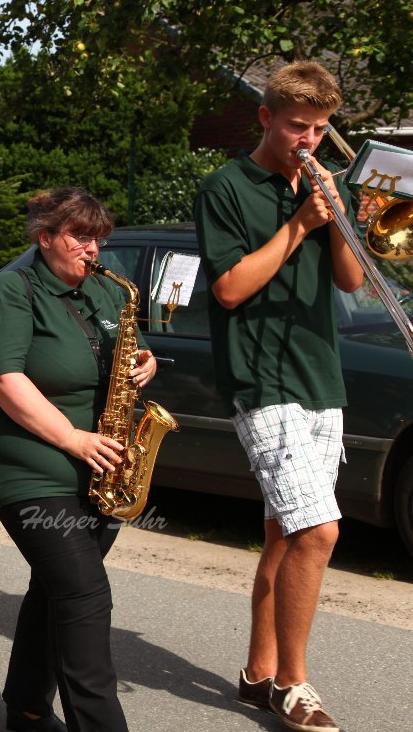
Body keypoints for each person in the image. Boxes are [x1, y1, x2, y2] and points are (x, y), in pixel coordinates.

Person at [195, 60, 360, 732]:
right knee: (318, 530)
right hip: (262, 380)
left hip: (321, 376)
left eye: (320, 129)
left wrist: (338, 220)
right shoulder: (226, 187)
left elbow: (350, 282)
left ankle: (257, 672)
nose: (308, 140)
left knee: (283, 532)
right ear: (266, 118)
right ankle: (295, 684)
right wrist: (297, 226)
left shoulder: (323, 183)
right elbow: (231, 288)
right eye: (297, 126)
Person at [0, 186, 156, 732]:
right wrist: (74, 440)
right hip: (31, 466)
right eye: (80, 236)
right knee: (84, 594)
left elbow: (126, 349)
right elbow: (3, 378)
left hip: (101, 469)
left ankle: (28, 708)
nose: (92, 248)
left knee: (54, 588)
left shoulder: (106, 293)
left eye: (99, 238)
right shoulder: (13, 290)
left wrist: (146, 364)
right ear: (46, 236)